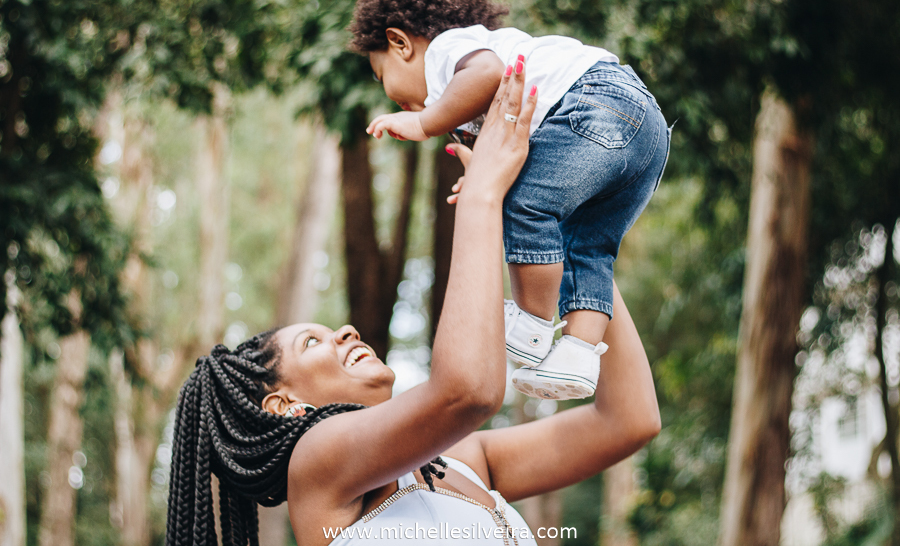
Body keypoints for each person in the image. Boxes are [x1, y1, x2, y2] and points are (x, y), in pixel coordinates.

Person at [165, 59, 660, 546]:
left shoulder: (466, 457)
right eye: (312, 341)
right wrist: (483, 196)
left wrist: (570, 228)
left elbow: (627, 420)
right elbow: (468, 391)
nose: (346, 332)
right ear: (284, 404)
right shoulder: (317, 466)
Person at [351, 0, 671, 400]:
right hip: (647, 132)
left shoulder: (449, 49)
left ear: (400, 42)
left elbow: (487, 75)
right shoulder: (469, 75)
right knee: (589, 246)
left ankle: (533, 323)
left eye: (380, 73)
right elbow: (510, 146)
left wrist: (424, 123)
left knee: (527, 203)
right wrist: (484, 179)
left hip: (599, 103)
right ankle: (579, 354)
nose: (387, 91)